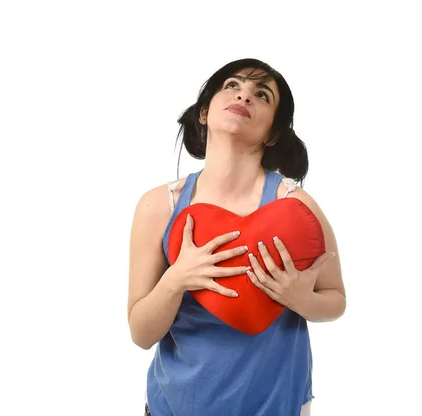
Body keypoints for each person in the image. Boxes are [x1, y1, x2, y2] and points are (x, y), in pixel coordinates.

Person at [128, 58, 346, 416]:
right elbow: (141, 333)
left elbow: (336, 300)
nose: (244, 96)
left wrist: (298, 298)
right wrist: (176, 280)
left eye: (262, 94)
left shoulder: (295, 209)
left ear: (273, 132)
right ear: (203, 112)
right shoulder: (159, 207)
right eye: (232, 85)